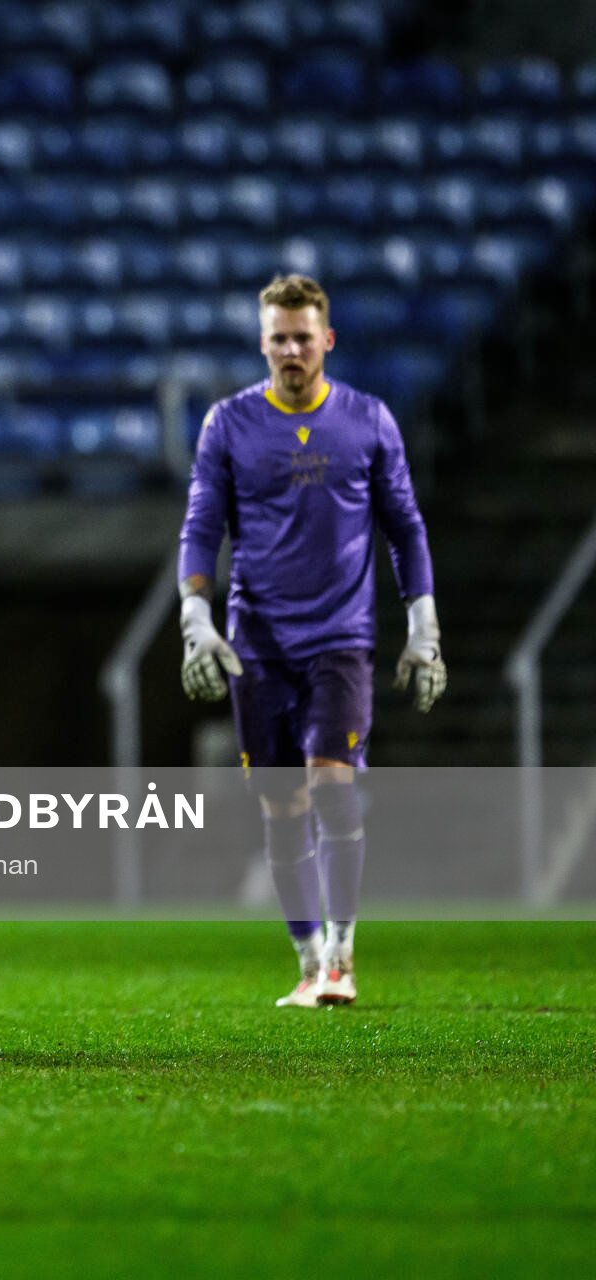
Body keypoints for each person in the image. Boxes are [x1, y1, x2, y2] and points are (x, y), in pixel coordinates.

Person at [178, 274, 444, 1009]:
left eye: (303, 337)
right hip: (256, 642)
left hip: (340, 638)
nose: (291, 349)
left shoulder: (367, 420)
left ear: (327, 339)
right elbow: (201, 527)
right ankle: (306, 957)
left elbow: (405, 526)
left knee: (332, 784)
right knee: (281, 805)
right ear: (263, 344)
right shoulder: (228, 425)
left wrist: (422, 622)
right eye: (279, 338)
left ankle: (342, 955)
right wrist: (194, 616)